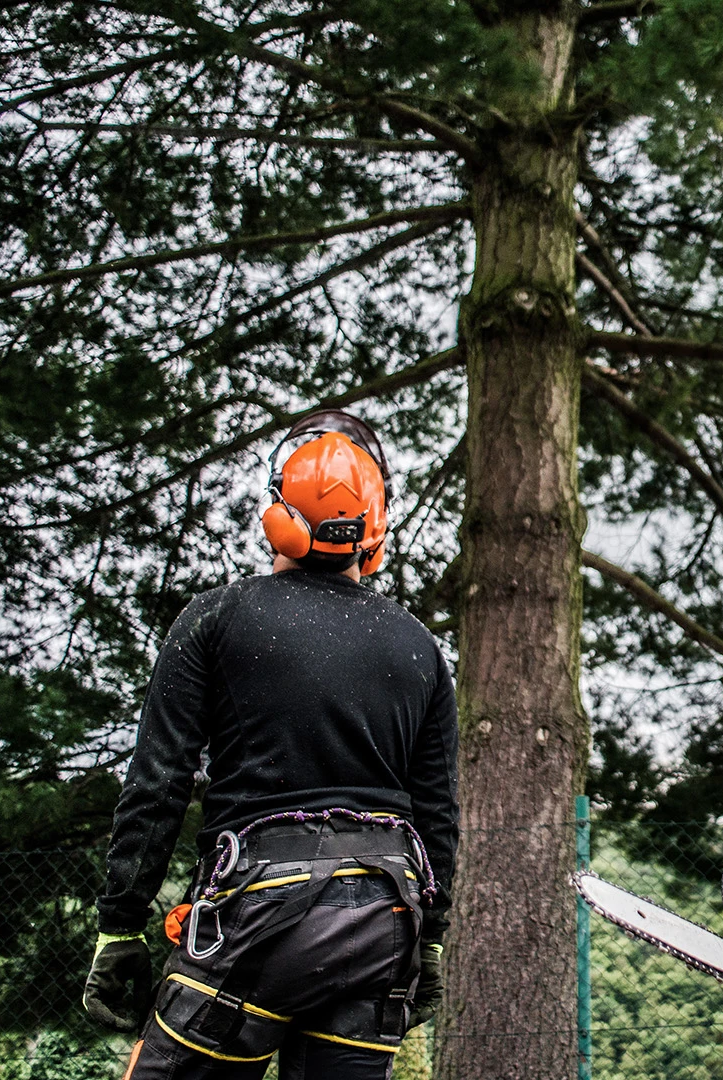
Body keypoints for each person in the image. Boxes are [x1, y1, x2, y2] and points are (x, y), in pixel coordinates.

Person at [82, 410, 459, 1080]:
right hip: (382, 925)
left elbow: (158, 782)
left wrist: (119, 925)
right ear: (374, 533)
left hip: (254, 921)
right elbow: (437, 815)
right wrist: (428, 939)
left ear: (278, 516)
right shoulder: (419, 646)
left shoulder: (217, 617)